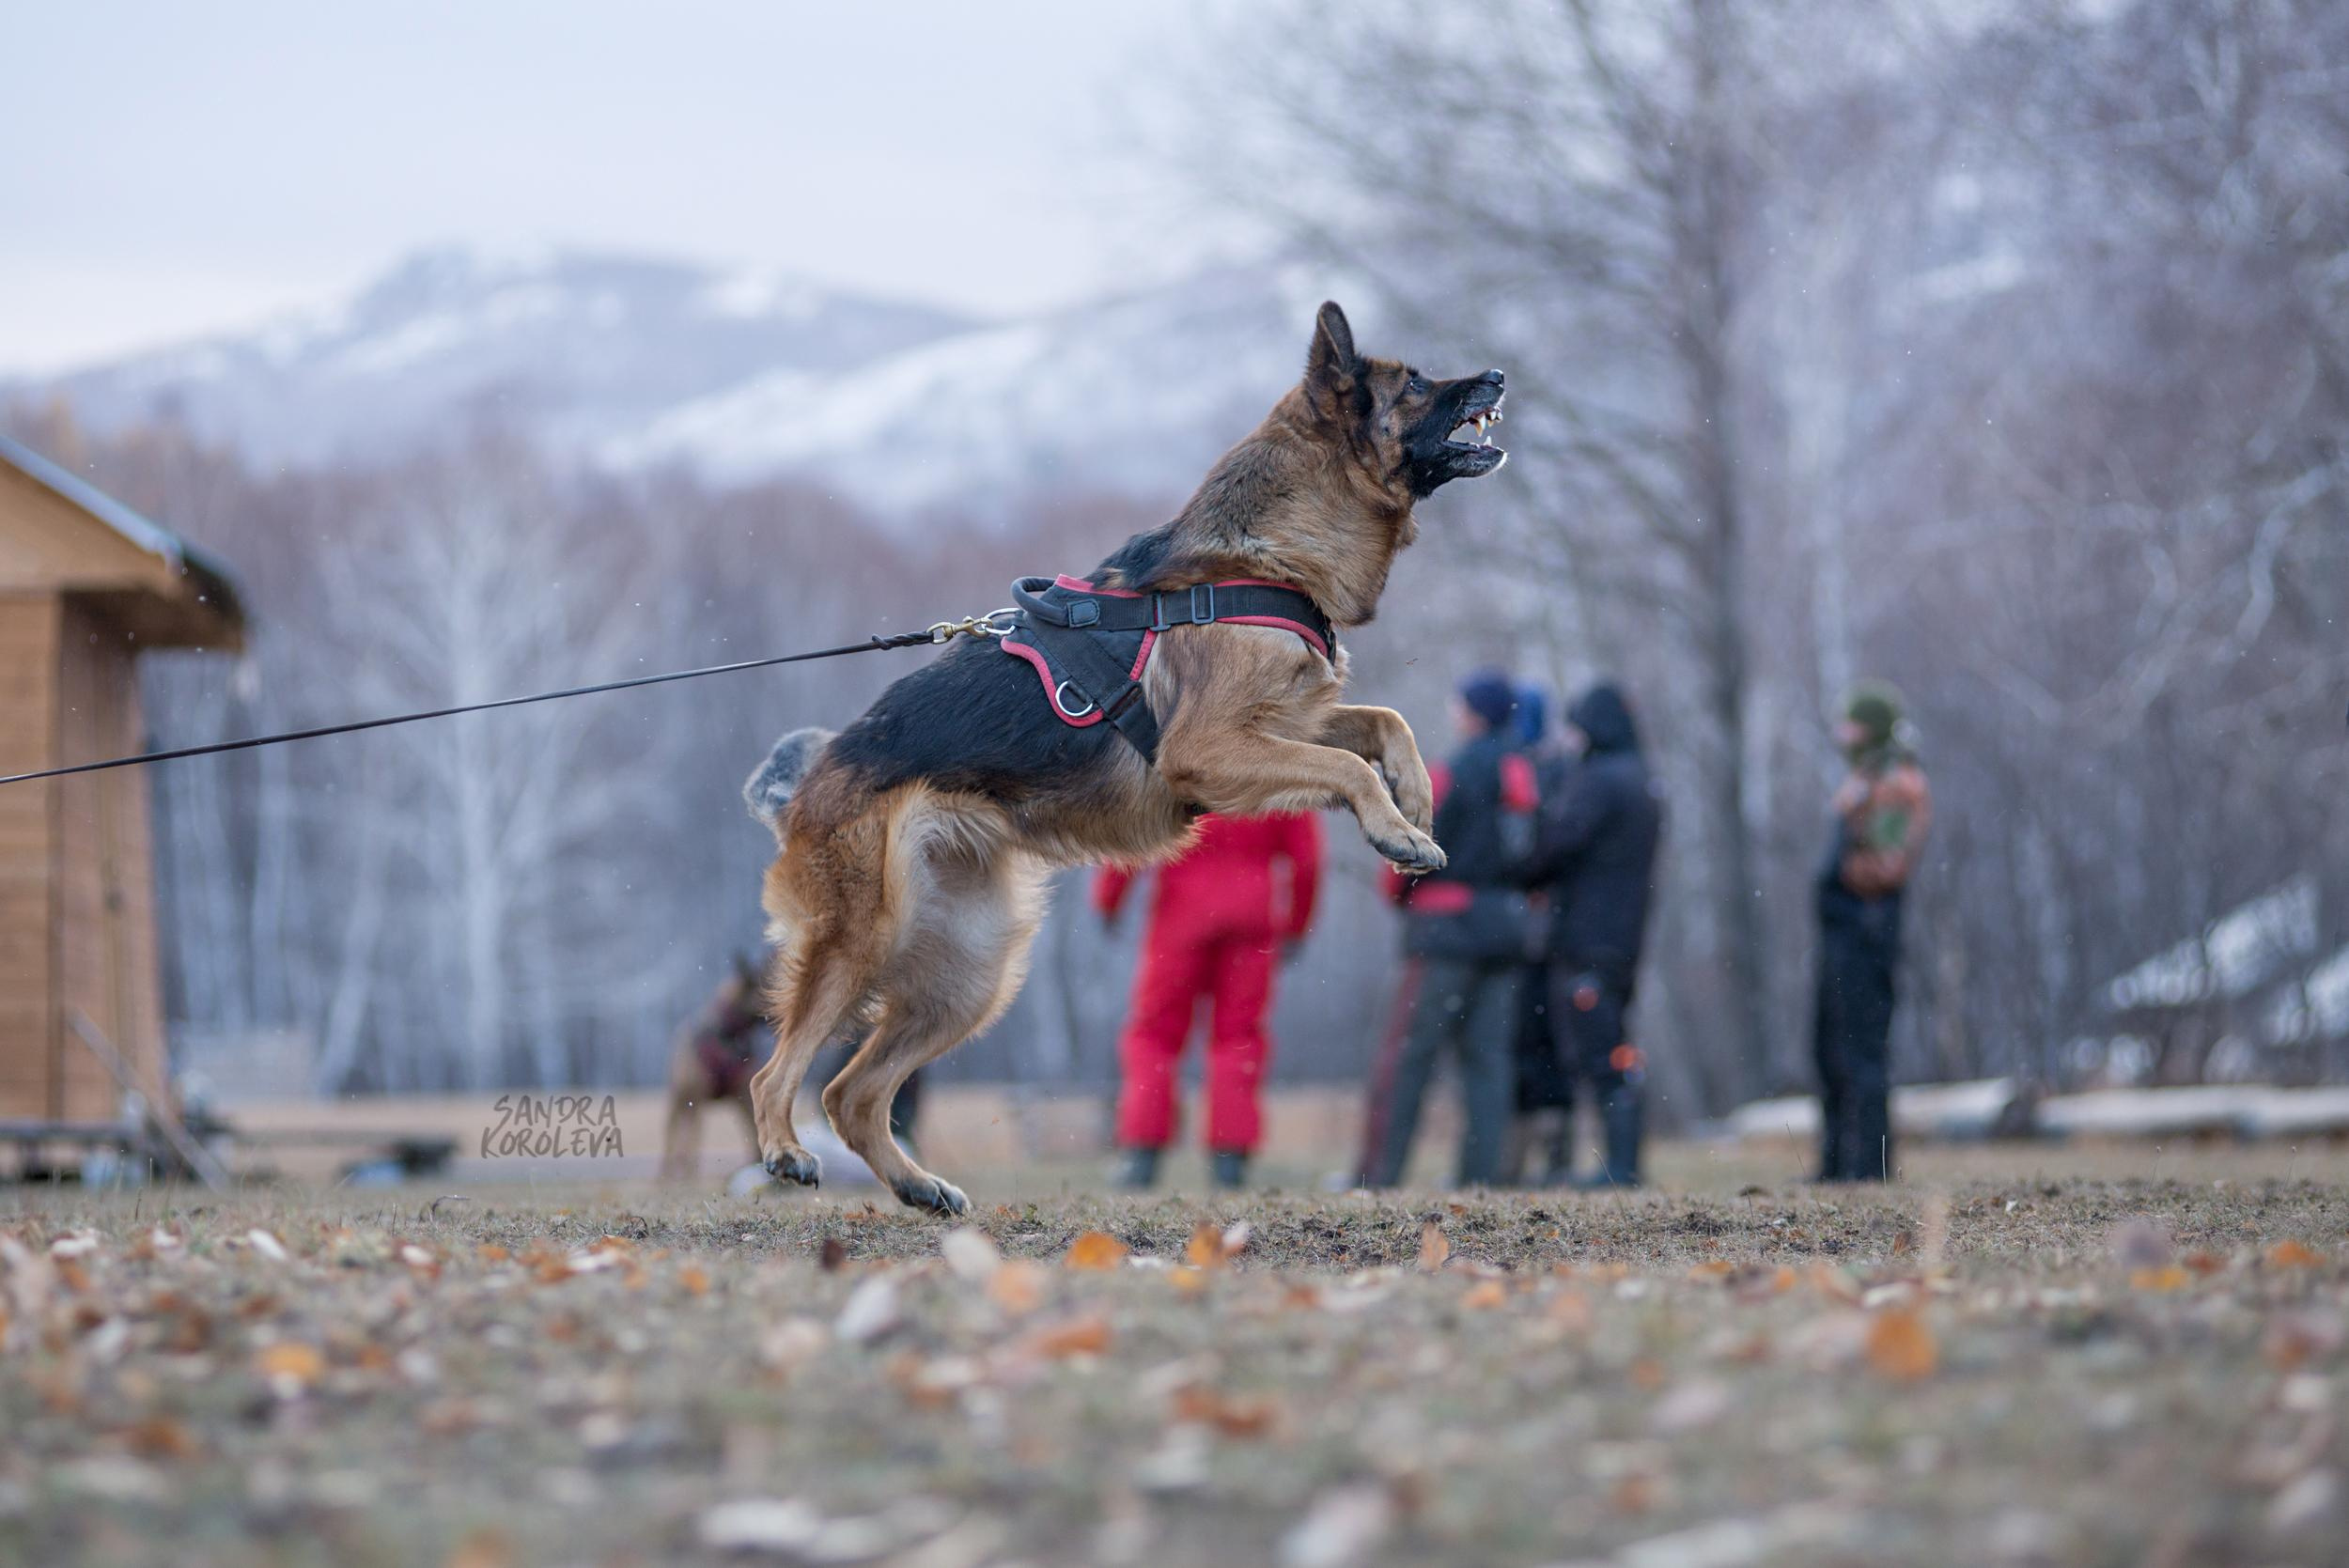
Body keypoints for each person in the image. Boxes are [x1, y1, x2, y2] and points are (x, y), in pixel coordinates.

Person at [1365, 670, 1539, 1188]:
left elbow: (1406, 840)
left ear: (1475, 713)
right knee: (1489, 1064)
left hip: (1444, 933)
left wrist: (1399, 895)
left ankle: (1380, 1175)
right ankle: (1479, 1180)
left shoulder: (1448, 771)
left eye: (1459, 704)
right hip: (1504, 931)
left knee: (1408, 1061)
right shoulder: (1523, 774)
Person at [1097, 811, 1321, 1189]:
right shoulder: (1281, 761)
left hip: (1180, 914)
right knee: (1239, 1038)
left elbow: (1136, 827)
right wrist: (1297, 924)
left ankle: (1141, 1156)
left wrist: (1109, 898)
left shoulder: (1184, 756)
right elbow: (1309, 858)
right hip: (1251, 917)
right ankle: (1230, 1161)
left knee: (1156, 1036)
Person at [1517, 681, 1663, 1188]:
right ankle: (1623, 1160)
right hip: (1623, 936)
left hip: (1588, 938)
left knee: (1600, 1052)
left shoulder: (1600, 780)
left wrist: (1524, 860)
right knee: (1617, 1045)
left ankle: (1621, 1168)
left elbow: (1558, 844)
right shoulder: (1641, 777)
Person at [1813, 679, 1932, 1183]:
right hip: (1842, 935)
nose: (1843, 734)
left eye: (1852, 725)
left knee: (1862, 1053)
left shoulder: (1896, 783)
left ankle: (1871, 1168)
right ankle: (1837, 1167)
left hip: (1865, 933)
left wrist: (1843, 875)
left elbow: (1885, 868)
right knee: (1828, 1050)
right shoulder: (1865, 777)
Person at [661, 956, 920, 1182]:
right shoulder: (702, 1040)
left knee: (755, 1110)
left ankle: (763, 1161)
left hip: (734, 1045)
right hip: (714, 1044)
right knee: (688, 1110)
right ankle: (676, 1168)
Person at [1502, 684, 1577, 1185]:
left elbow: (1526, 851)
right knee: (1552, 1039)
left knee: (1525, 1040)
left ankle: (1523, 1158)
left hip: (1524, 927)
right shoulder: (1565, 771)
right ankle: (1554, 1155)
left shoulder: (1515, 770)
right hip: (1554, 926)